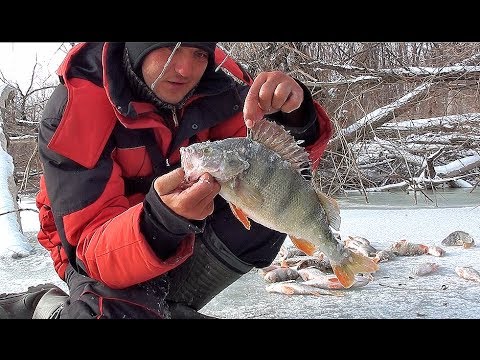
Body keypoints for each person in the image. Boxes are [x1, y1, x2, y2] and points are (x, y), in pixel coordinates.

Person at [0, 42, 333, 319]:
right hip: (93, 247)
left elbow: (284, 175)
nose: (186, 69)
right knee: (114, 311)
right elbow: (90, 245)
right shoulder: (78, 105)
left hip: (181, 226)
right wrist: (160, 220)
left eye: (198, 52)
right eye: (170, 48)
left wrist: (296, 117)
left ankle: (160, 308)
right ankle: (49, 308)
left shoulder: (222, 82)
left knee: (265, 216)